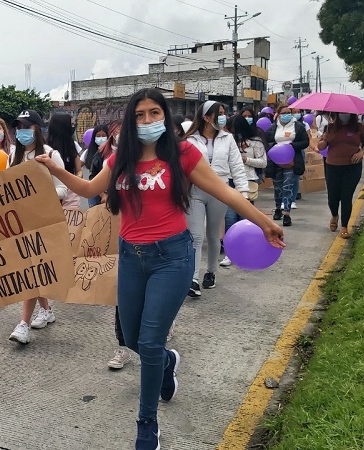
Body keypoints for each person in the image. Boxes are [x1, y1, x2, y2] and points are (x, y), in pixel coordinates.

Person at [34, 88, 284, 450]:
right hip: (130, 257)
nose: (147, 121)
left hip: (172, 257)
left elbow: (225, 191)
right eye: (139, 115)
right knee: (134, 340)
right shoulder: (119, 158)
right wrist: (55, 169)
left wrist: (263, 222)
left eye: (154, 113)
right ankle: (167, 363)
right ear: (130, 121)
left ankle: (146, 423)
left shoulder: (182, 153)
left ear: (164, 117)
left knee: (149, 341)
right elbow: (88, 187)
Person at [7, 110, 67, 344]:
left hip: (42, 222)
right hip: (19, 223)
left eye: (27, 126)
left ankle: (23, 324)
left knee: (29, 270)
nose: (21, 132)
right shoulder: (12, 156)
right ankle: (46, 309)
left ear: (38, 129)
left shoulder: (52, 155)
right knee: (31, 269)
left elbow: (64, 188)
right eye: (18, 127)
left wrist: (38, 192)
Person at [184, 101, 248, 296]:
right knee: (195, 235)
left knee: (213, 235)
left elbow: (237, 166)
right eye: (219, 114)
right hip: (195, 190)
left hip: (220, 190)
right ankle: (192, 279)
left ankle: (211, 273)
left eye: (224, 113)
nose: (223, 117)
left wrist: (243, 193)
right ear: (206, 117)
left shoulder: (227, 139)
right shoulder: (189, 140)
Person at [220, 115, 267, 267]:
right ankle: (230, 252)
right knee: (229, 218)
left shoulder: (256, 143)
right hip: (228, 181)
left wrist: (246, 159)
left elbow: (263, 162)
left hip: (247, 181)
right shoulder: (225, 141)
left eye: (232, 128)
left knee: (245, 219)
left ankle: (247, 251)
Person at [317, 111, 364, 239]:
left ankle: (344, 226)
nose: (344, 114)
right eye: (341, 112)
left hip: (352, 167)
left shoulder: (360, 128)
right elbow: (320, 147)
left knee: (346, 196)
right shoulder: (329, 127)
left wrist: (361, 153)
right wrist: (325, 138)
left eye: (346, 112)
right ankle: (334, 215)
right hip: (332, 166)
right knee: (333, 197)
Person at [264, 104, 309, 227]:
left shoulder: (298, 127)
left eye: (288, 112)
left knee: (287, 186)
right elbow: (266, 142)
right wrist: (275, 147)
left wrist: (291, 146)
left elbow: (305, 142)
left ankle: (287, 214)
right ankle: (278, 208)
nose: (286, 115)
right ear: (278, 114)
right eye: (283, 113)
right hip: (276, 162)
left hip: (291, 162)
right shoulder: (273, 128)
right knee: (278, 187)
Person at [46, 113, 82, 208]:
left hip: (70, 192)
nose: (73, 127)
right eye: (71, 124)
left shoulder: (72, 145)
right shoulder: (46, 148)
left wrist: (78, 177)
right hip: (52, 190)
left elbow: (79, 170)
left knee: (71, 221)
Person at [82, 123, 110, 206]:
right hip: (94, 190)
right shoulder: (88, 152)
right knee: (94, 214)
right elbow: (78, 167)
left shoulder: (113, 152)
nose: (101, 138)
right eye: (98, 136)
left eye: (103, 135)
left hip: (110, 190)